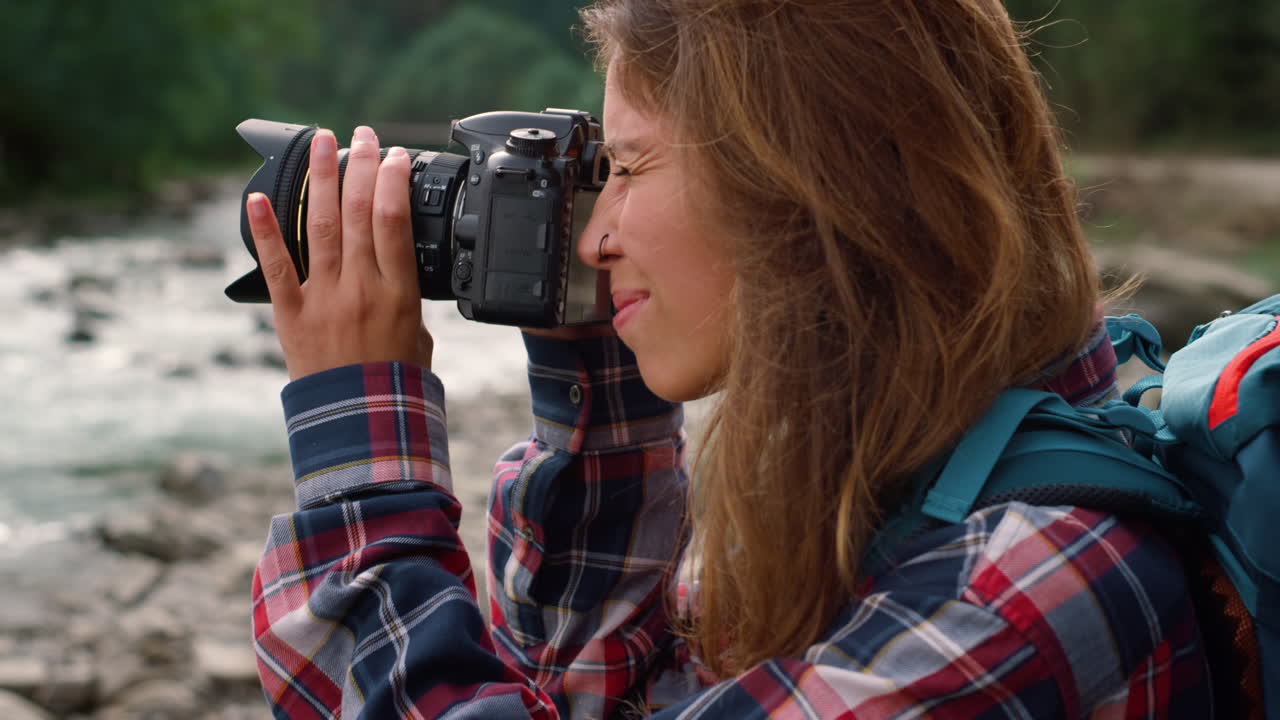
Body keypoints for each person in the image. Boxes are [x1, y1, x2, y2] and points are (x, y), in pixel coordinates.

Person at [245, 1, 1213, 717]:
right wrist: (600, 377)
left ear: (794, 181)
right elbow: (586, 699)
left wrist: (362, 464)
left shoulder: (1012, 589)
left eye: (626, 168)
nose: (592, 238)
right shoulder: (899, 476)